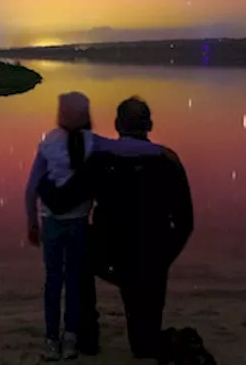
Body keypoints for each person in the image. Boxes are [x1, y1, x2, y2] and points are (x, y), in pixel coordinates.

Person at [38, 96, 194, 359]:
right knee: (144, 347)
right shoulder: (168, 161)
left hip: (108, 254)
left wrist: (43, 179)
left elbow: (63, 200)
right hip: (149, 256)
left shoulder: (102, 159)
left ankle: (87, 335)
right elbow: (184, 223)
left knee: (79, 248)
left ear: (117, 124)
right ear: (150, 125)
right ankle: (109, 333)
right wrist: (163, 258)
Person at [24, 91, 95, 360]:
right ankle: (71, 339)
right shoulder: (94, 143)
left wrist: (31, 221)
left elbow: (31, 188)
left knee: (53, 280)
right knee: (75, 280)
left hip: (51, 221)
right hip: (79, 222)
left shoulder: (49, 142)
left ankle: (51, 339)